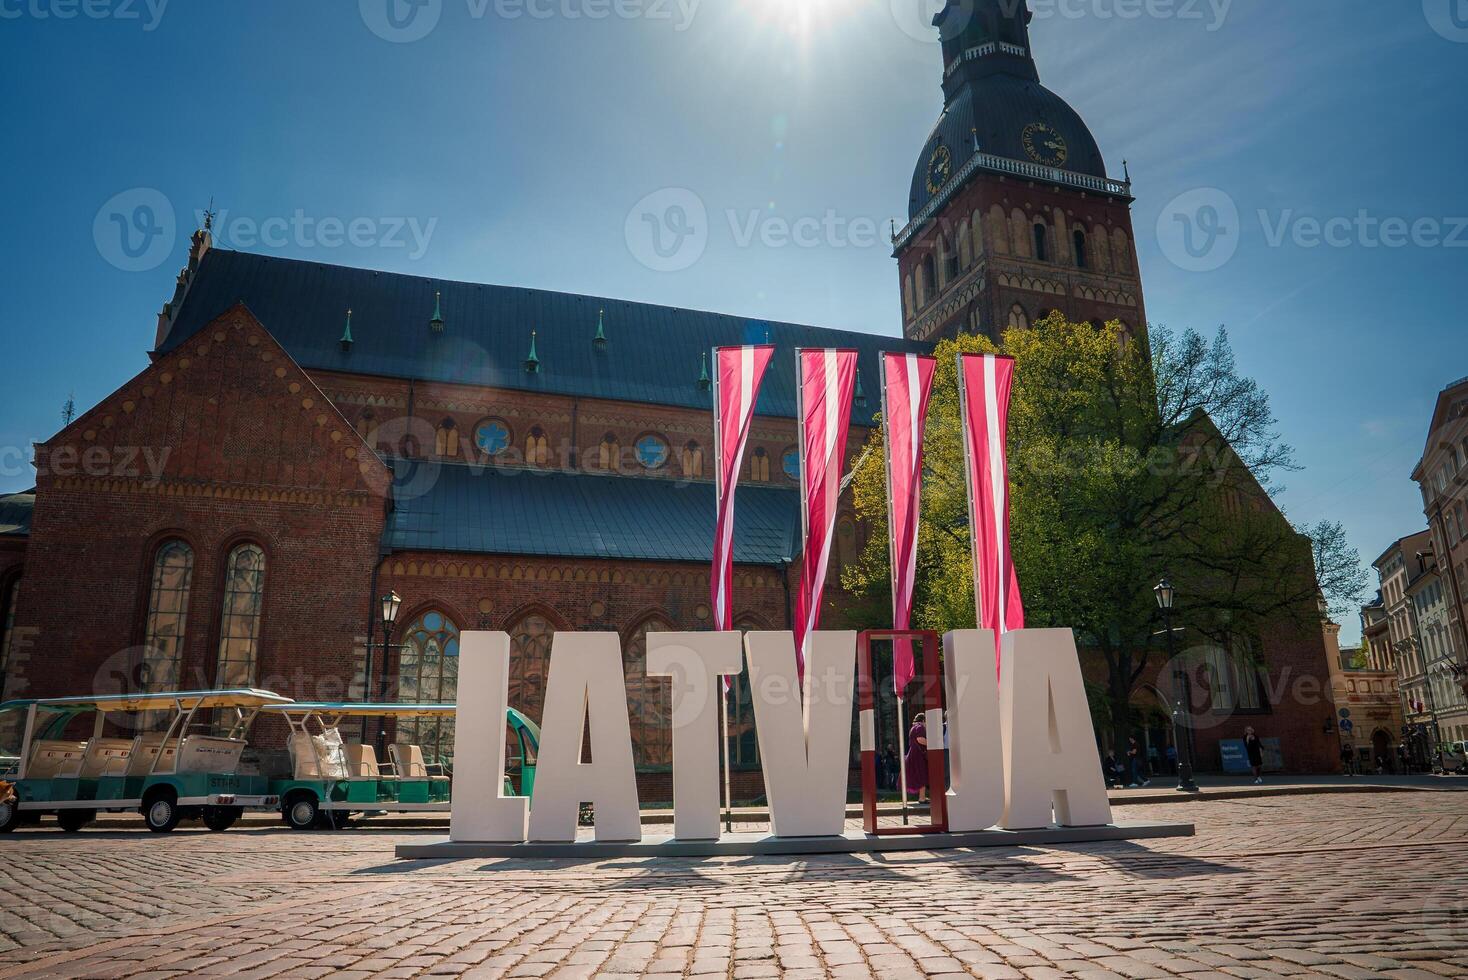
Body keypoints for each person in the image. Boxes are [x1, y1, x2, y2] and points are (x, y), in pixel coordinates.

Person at [904, 716, 929, 804]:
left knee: (918, 774)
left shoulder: (913, 727)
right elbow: (920, 739)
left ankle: (921, 797)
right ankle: (922, 798)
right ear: (923, 720)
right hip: (918, 754)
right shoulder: (920, 727)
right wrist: (932, 743)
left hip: (913, 753)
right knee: (922, 774)